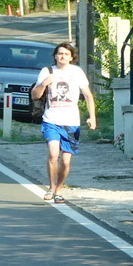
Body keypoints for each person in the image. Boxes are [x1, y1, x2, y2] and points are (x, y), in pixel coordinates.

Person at [31, 41, 96, 203]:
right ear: (55, 56)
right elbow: (35, 95)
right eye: (60, 53)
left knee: (66, 162)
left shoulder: (77, 72)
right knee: (53, 154)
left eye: (66, 54)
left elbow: (88, 95)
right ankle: (51, 188)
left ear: (71, 57)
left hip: (71, 122)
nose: (62, 56)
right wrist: (44, 83)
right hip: (50, 120)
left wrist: (92, 116)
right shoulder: (47, 71)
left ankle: (59, 189)